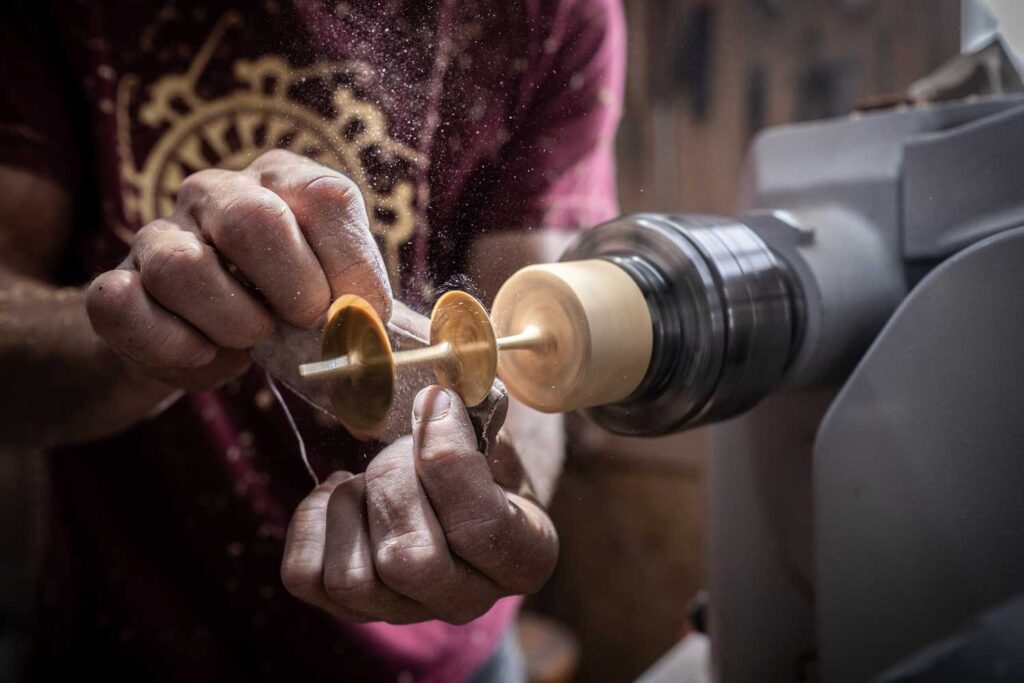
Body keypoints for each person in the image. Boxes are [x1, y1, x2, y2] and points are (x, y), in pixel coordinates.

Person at [0, 1, 624, 680]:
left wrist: (499, 493)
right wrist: (135, 342)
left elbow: (531, 343)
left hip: (449, 659)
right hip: (126, 643)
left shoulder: (553, 11)